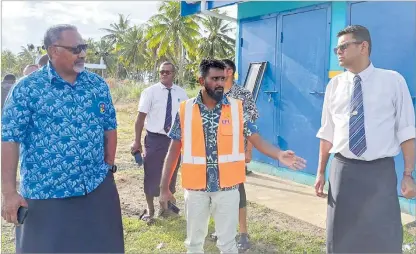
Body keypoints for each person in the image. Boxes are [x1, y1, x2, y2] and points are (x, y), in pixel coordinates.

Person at [159, 59, 307, 253]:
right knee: (194, 243)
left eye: (223, 78)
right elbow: (173, 150)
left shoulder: (237, 109)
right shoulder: (186, 109)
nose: (220, 83)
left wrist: (278, 154)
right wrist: (164, 187)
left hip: (227, 189)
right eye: (215, 78)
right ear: (201, 80)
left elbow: (256, 138)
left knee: (227, 244)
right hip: (196, 189)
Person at [1, 24, 124, 253]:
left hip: (95, 189)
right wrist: (8, 193)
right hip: (46, 193)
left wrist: (107, 167)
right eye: (76, 48)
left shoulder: (96, 86)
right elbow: (9, 139)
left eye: (84, 47)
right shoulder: (27, 89)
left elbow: (109, 127)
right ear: (53, 50)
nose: (83, 54)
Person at [315, 25, 416, 253]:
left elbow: (406, 130)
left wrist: (408, 174)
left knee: (383, 234)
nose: (338, 52)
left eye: (343, 46)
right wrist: (321, 172)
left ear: (363, 47)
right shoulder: (335, 86)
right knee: (340, 233)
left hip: (379, 172)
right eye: (336, 49)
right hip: (343, 169)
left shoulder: (392, 81)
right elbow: (327, 132)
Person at [209, 59, 259, 251]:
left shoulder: (243, 94)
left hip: (235, 153)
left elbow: (251, 125)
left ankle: (243, 233)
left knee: (238, 193)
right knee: (217, 192)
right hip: (215, 153)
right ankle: (223, 229)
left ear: (229, 72)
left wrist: (249, 150)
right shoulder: (213, 93)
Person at [131, 61, 188, 224]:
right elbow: (140, 118)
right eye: (162, 72)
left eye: (167, 72)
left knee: (171, 174)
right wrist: (136, 141)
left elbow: (186, 118)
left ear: (173, 74)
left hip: (174, 140)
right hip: (154, 139)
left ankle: (166, 207)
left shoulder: (182, 94)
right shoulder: (150, 92)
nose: (164, 74)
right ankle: (150, 210)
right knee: (151, 174)